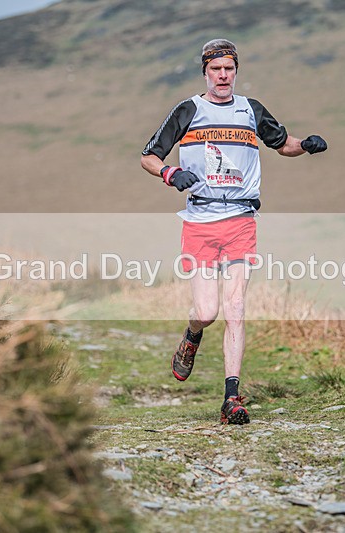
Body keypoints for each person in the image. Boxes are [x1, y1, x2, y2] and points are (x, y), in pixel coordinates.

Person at [140, 38, 327, 425]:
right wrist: (170, 173)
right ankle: (192, 335)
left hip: (241, 219)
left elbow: (283, 145)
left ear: (236, 71)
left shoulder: (251, 110)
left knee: (236, 307)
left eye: (229, 69)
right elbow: (149, 157)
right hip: (199, 221)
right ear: (205, 72)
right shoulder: (189, 110)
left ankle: (231, 398)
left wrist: (306, 145)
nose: (223, 75)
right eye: (216, 69)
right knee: (207, 312)